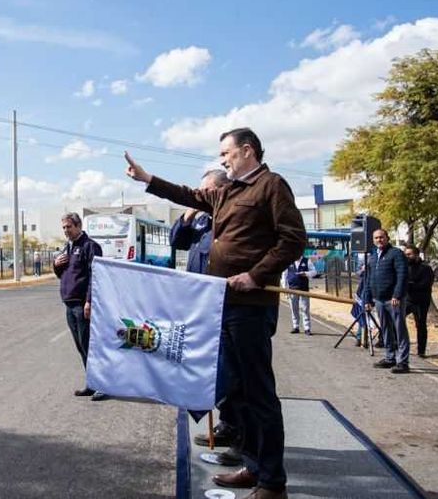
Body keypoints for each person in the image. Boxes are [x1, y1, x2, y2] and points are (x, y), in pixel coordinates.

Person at [126, 127, 305, 499]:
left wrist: (256, 275)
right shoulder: (227, 191)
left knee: (259, 394)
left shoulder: (272, 185)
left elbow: (293, 239)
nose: (223, 159)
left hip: (250, 307)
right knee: (237, 392)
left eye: (227, 153)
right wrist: (147, 178)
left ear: (248, 150)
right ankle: (253, 466)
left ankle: (273, 483)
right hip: (222, 304)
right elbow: (188, 195)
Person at [170, 169, 244, 466]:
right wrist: (189, 212)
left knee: (233, 372)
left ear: (220, 190)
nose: (200, 195)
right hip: (200, 306)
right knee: (213, 369)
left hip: (225, 306)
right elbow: (178, 241)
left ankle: (243, 439)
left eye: (205, 190)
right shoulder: (201, 219)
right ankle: (227, 426)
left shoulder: (230, 217)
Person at [53, 212, 106, 401]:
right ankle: (91, 383)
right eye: (64, 228)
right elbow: (63, 275)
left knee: (90, 346)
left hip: (82, 305)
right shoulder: (67, 248)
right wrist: (56, 265)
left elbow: (96, 276)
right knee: (81, 347)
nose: (66, 231)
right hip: (69, 304)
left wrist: (89, 301)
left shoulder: (90, 246)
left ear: (78, 225)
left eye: (69, 227)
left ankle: (102, 385)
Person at [363, 229, 410, 373]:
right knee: (386, 330)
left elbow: (402, 275)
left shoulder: (396, 254)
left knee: (399, 330)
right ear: (373, 240)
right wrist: (367, 298)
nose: (379, 240)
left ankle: (403, 362)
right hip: (379, 300)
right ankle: (390, 358)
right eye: (376, 238)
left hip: (393, 300)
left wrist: (397, 295)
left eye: (381, 237)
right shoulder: (372, 257)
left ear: (387, 238)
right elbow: (369, 279)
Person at [404, 245, 433, 358]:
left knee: (420, 325)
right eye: (406, 254)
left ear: (416, 255)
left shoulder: (425, 268)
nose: (407, 257)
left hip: (421, 301)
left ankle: (421, 351)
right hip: (408, 300)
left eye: (409, 254)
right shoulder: (405, 267)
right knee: (396, 320)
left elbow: (425, 284)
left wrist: (410, 285)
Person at [283, 255, 318, 335]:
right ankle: (296, 326)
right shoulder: (289, 261)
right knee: (294, 308)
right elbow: (284, 275)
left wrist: (305, 273)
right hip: (292, 289)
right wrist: (285, 288)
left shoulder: (307, 261)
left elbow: (314, 272)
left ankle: (307, 328)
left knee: (305, 308)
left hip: (304, 289)